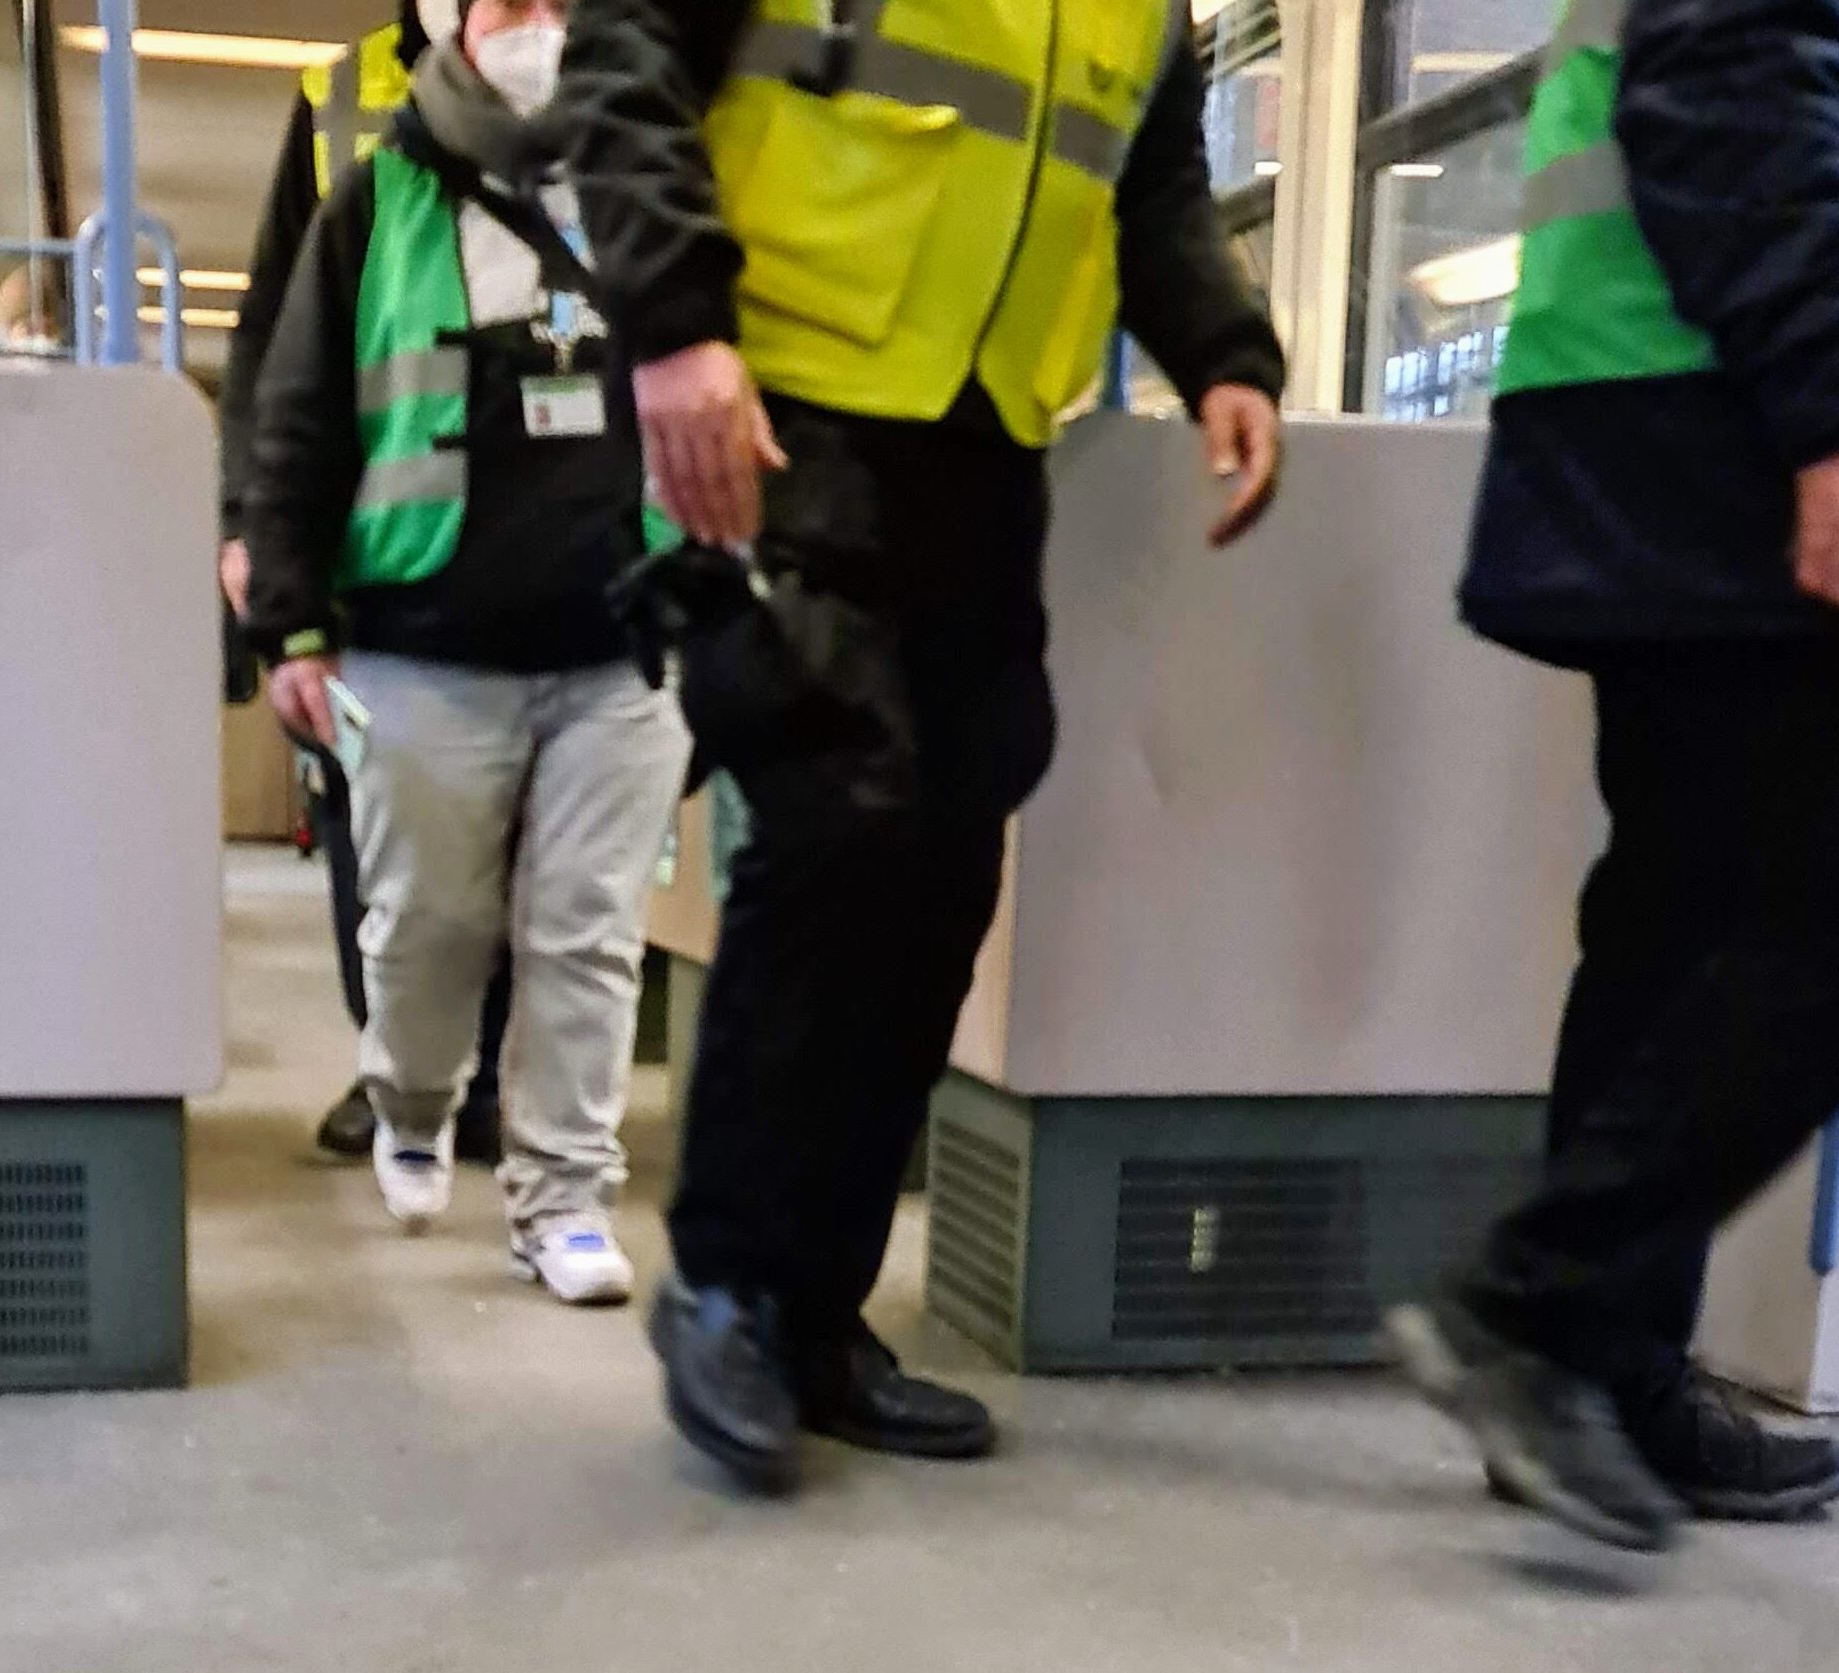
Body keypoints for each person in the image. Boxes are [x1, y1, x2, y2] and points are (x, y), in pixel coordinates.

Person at [554, 0, 1284, 1487]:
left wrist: (1224, 349)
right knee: (836, 809)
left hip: (982, 434)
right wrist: (674, 325)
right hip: (779, 396)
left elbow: (1147, 184)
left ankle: (814, 1318)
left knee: (947, 849)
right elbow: (624, 61)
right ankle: (729, 1287)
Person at [1388, 0, 1839, 1554]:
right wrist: (1828, 411)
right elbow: (1726, 88)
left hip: (1660, 408)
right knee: (1793, 919)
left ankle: (1596, 1370)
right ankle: (1533, 1310)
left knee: (1680, 916)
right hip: (1711, 415)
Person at [246, 0, 692, 1305]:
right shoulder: (376, 197)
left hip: (619, 645)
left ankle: (563, 1197)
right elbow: (298, 413)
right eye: (510, 1)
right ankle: (412, 1097)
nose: (538, 21)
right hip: (422, 643)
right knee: (428, 926)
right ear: (450, 17)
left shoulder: (655, 188)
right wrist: (289, 621)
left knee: (586, 935)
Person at [217, 3, 506, 1168]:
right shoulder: (337, 96)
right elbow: (270, 335)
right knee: (373, 817)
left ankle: (493, 1071)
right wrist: (247, 522)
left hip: (538, 535)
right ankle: (393, 1060)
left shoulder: (597, 72)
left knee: (522, 830)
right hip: (374, 539)